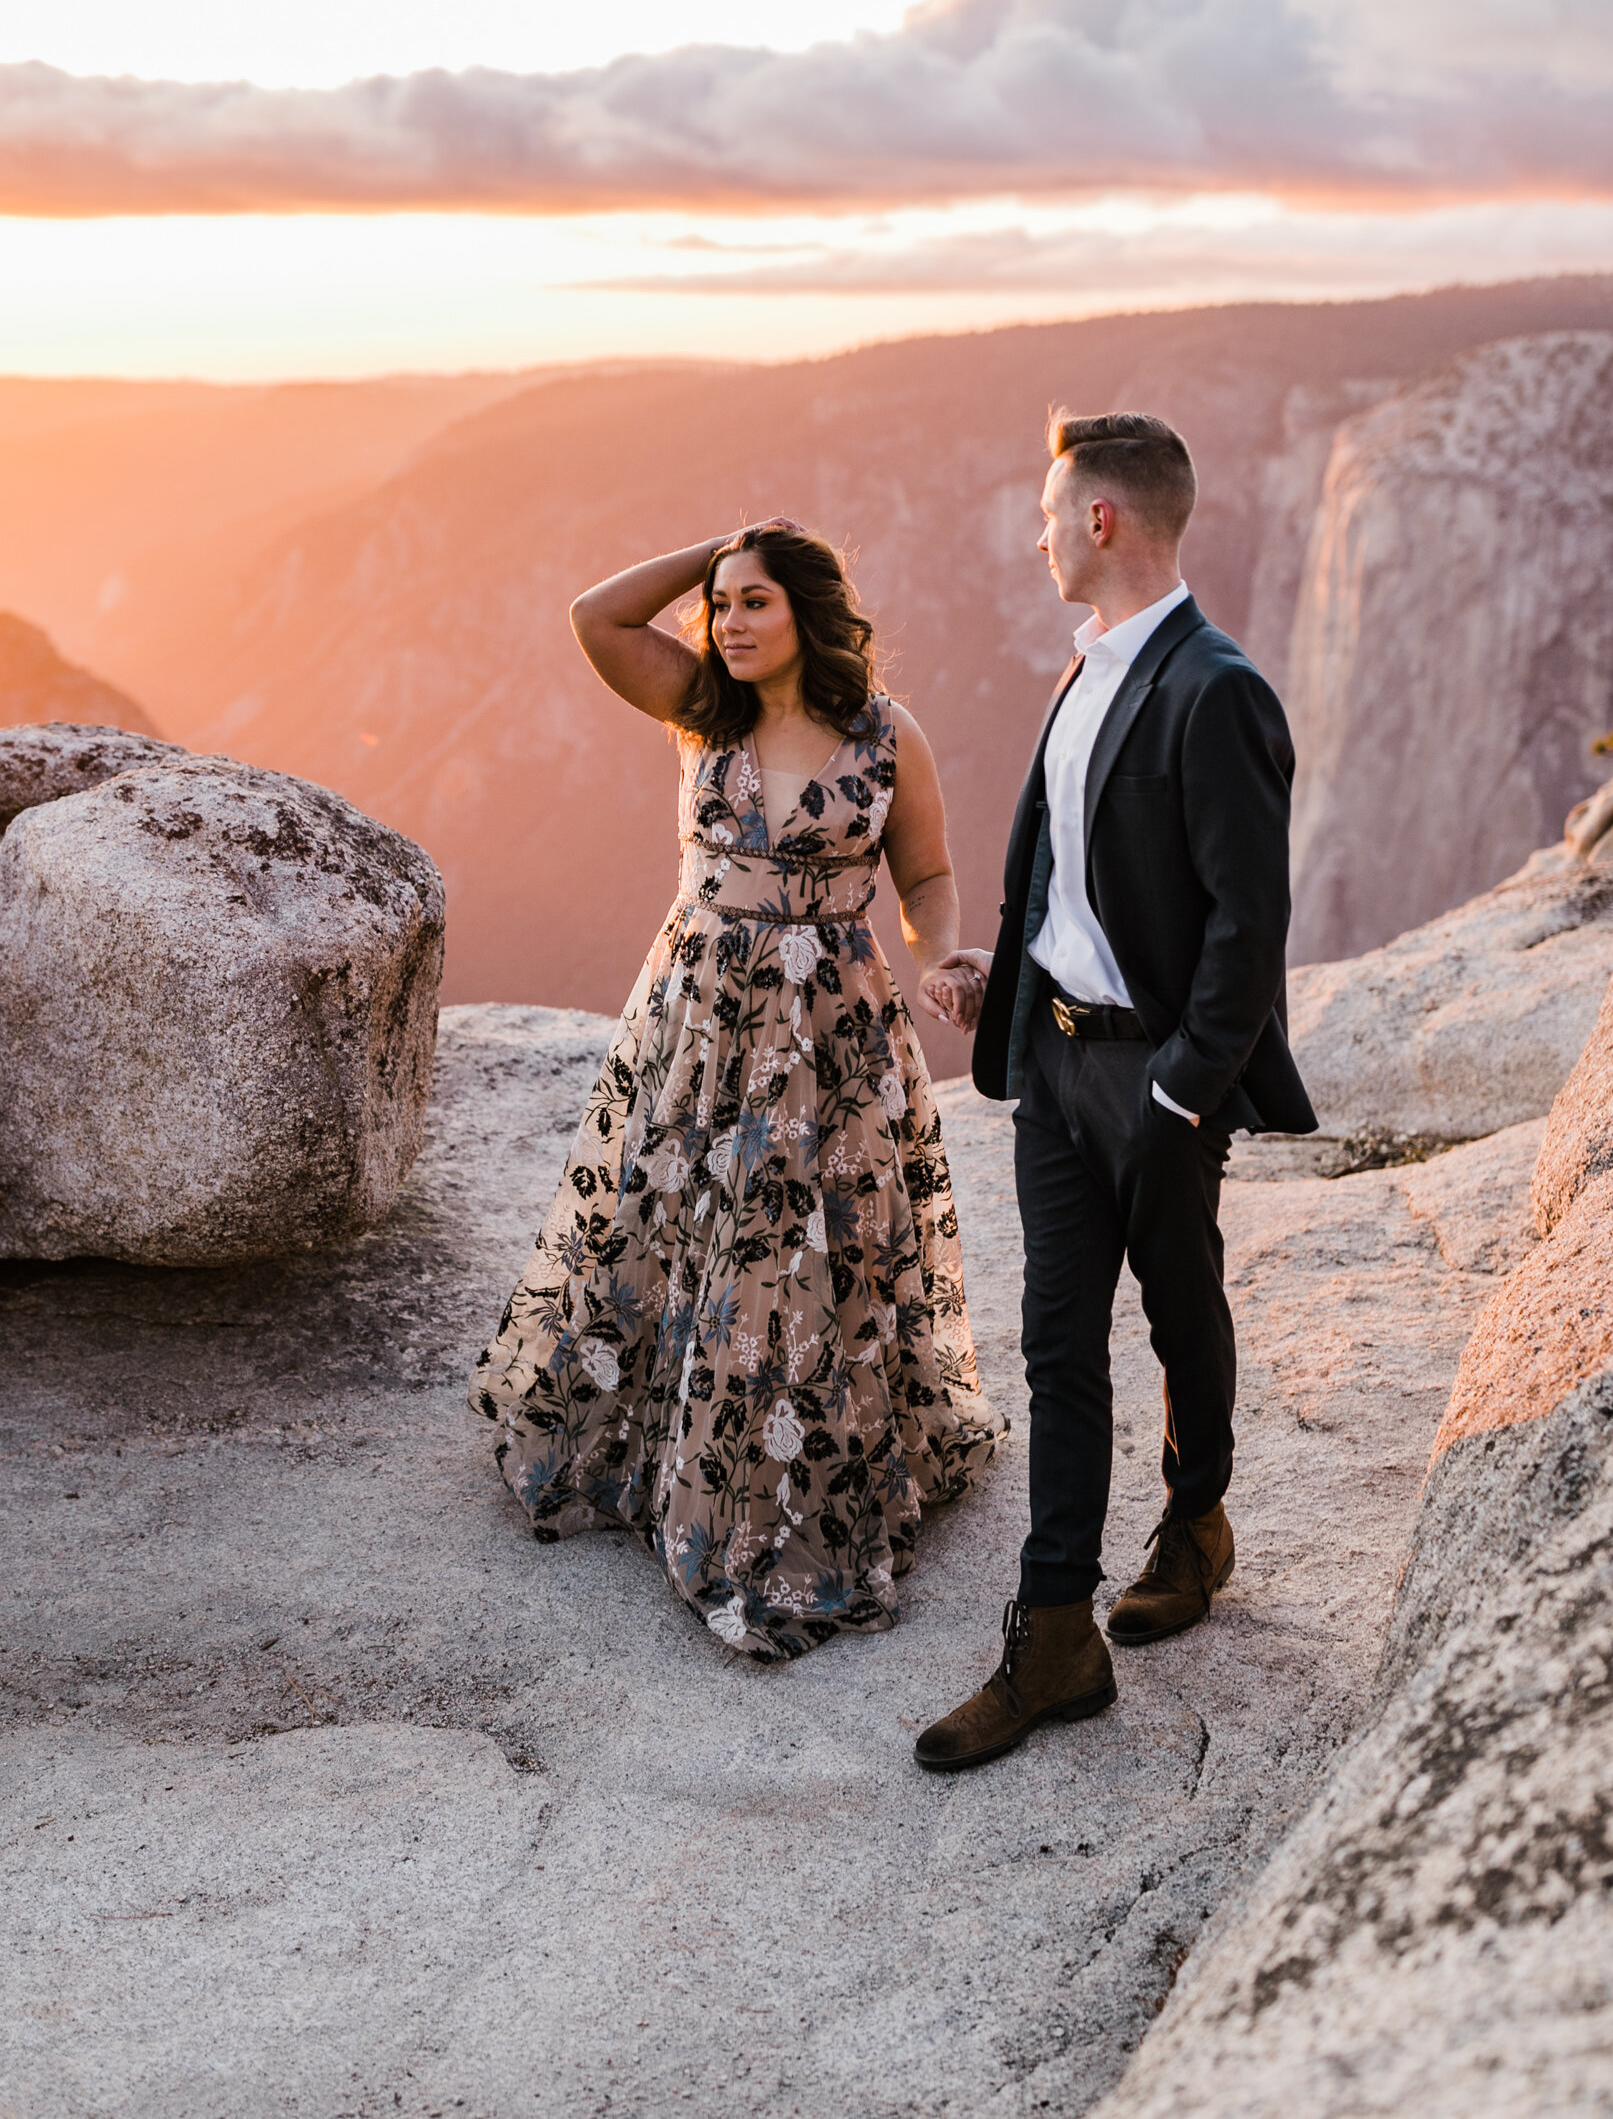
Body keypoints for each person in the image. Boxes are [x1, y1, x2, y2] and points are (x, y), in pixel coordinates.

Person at [469, 520, 1003, 1660]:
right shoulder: (700, 710)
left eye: (754, 600)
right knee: (674, 1232)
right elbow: (595, 617)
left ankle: (776, 1490)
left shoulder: (886, 738)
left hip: (831, 1038)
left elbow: (927, 873)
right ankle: (655, 1457)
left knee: (804, 1260)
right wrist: (713, 545)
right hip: (700, 1024)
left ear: (810, 611)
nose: (728, 622)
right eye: (720, 605)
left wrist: (943, 950)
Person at [914, 410, 1316, 1770]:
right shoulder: (1080, 673)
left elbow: (1244, 927)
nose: (1031, 534)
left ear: (1101, 519)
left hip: (1150, 1078)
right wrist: (1008, 967)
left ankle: (1194, 1515)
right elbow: (1077, 878)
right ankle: (1053, 1641)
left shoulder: (1215, 690)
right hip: (1050, 1064)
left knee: (1179, 1304)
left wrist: (1179, 1094)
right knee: (1053, 1346)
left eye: (1047, 510)